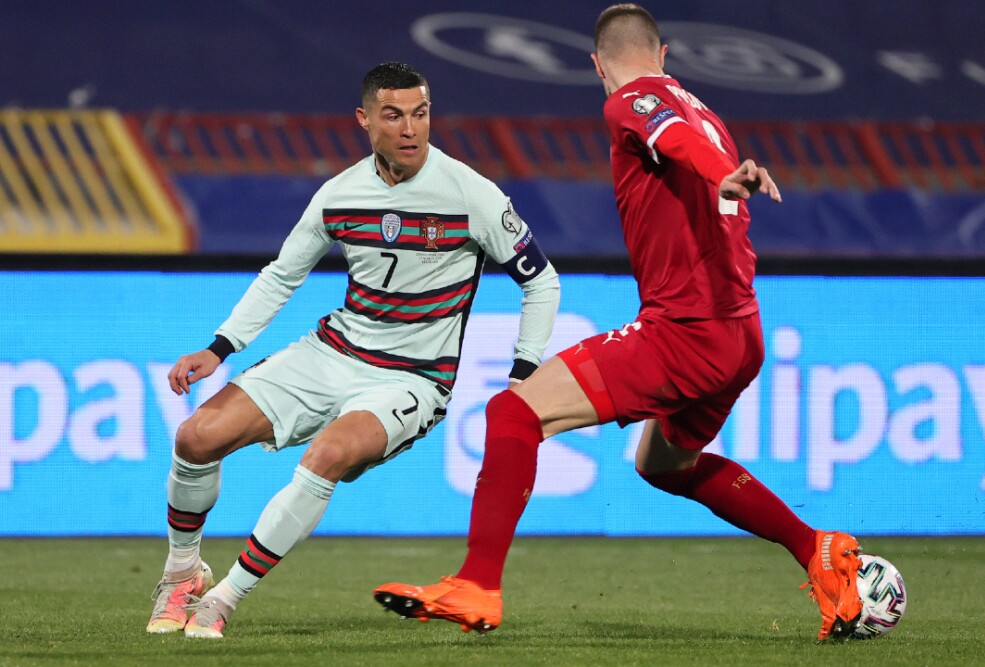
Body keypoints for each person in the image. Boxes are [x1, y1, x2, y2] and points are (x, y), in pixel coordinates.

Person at [373, 4, 863, 642]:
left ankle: (476, 584)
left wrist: (724, 174)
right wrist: (728, 170)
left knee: (513, 414)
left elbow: (675, 145)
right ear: (665, 55)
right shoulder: (706, 113)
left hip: (684, 331)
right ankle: (817, 549)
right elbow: (690, 150)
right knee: (664, 466)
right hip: (740, 333)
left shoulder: (629, 101)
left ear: (596, 64)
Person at [145, 61, 560, 639]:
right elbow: (281, 275)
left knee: (327, 455)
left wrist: (525, 369)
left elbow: (542, 281)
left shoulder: (471, 194)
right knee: (195, 437)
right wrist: (220, 347)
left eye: (420, 114)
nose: (410, 129)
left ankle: (223, 599)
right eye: (394, 116)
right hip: (332, 351)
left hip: (411, 379)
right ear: (366, 120)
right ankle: (182, 573)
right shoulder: (339, 194)